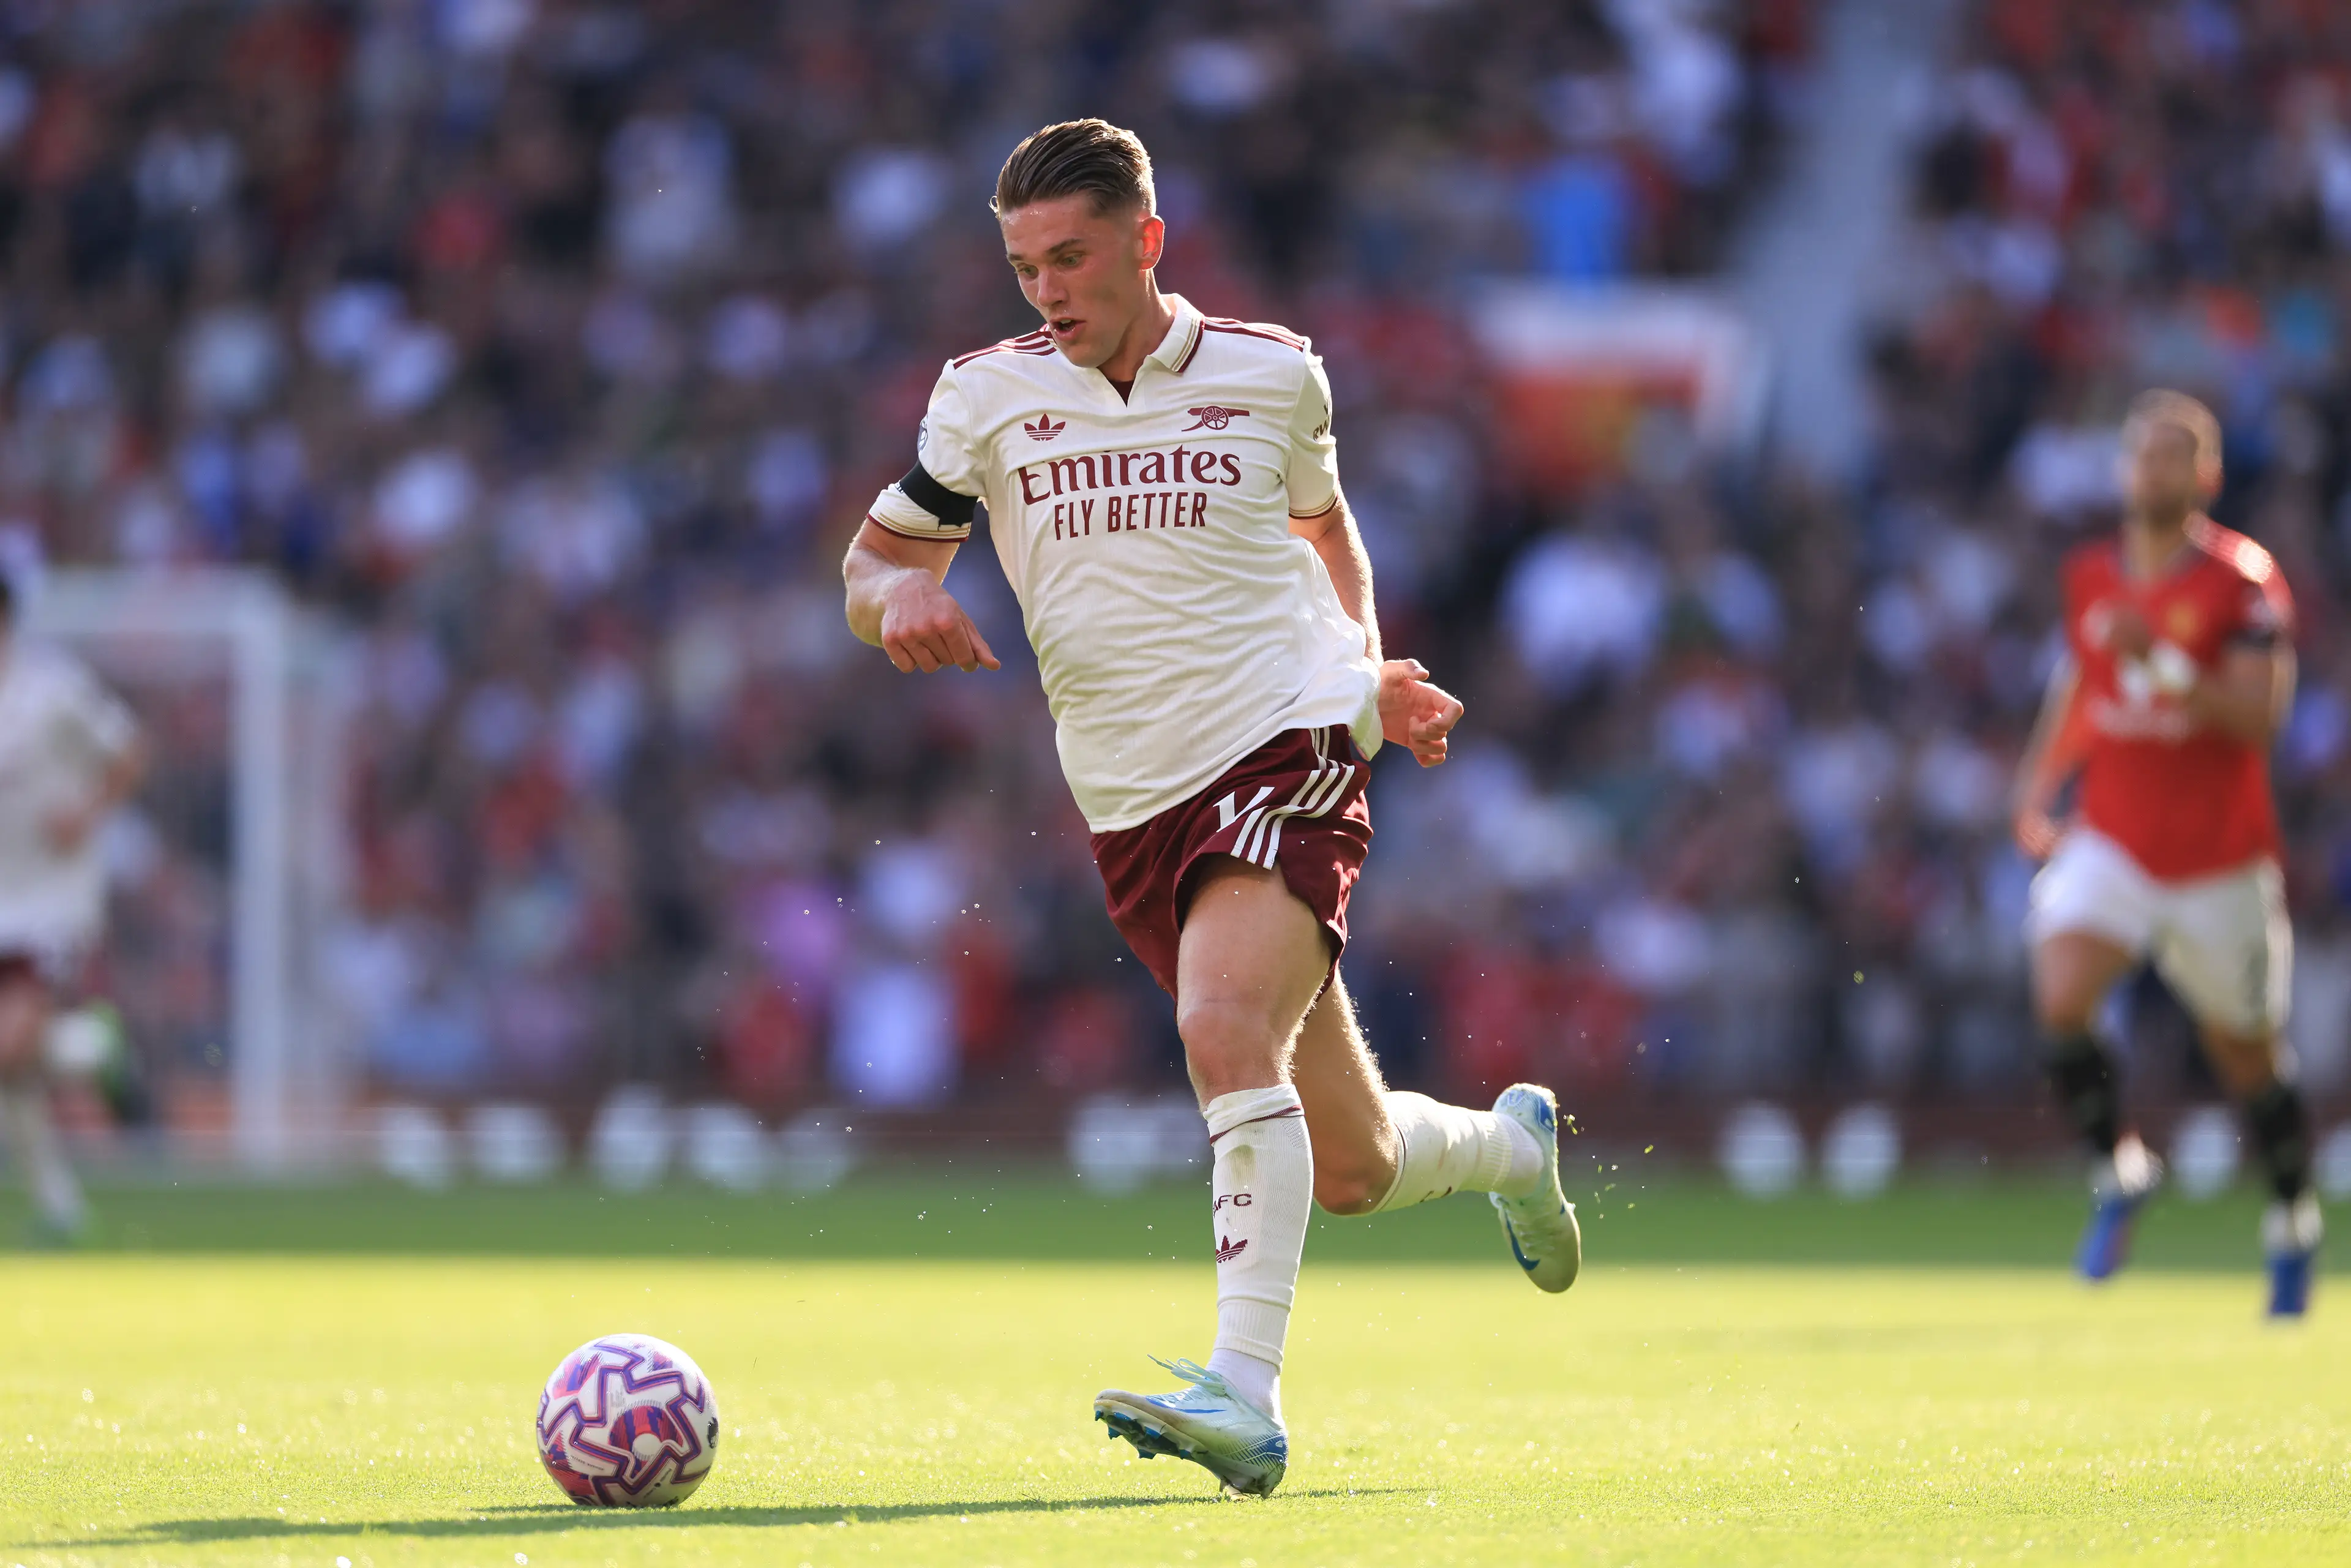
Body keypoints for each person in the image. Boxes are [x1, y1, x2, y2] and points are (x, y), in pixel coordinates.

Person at [841, 119, 1580, 1496]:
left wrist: (1365, 680)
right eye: (1023, 267)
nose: (1048, 291)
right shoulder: (983, 398)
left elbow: (1325, 528)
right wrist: (904, 598)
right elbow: (870, 560)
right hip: (1134, 802)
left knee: (1219, 1024)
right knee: (1351, 1163)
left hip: (1287, 744)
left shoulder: (1269, 371)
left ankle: (1244, 1394)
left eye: (1070, 258)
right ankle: (1508, 1147)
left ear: (1146, 240)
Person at [2012, 389, 2314, 1315]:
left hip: (2219, 860)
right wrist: (2036, 786)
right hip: (2115, 836)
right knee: (2061, 997)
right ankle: (2121, 1169)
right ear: (2121, 470)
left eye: (2176, 456)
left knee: (2248, 1061)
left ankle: (2292, 1215)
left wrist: (2166, 663)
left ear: (2208, 477)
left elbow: (2258, 719)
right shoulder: (2090, 575)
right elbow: (2082, 680)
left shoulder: (2243, 581)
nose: (2155, 471)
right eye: (2143, 455)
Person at [0, 572, 145, 1245]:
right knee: (15, 1066)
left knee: (9, 1045)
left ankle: (92, 1047)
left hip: (47, 902)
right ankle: (59, 1201)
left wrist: (85, 813)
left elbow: (130, 751)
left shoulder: (52, 689)